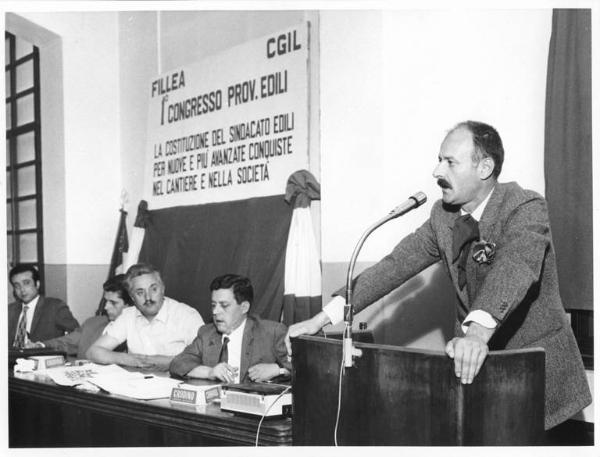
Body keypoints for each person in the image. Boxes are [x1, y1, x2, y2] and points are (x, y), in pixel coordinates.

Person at [286, 121, 591, 430]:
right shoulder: (442, 217)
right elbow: (394, 266)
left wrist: (474, 335)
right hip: (478, 378)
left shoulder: (524, 206)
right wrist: (322, 318)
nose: (436, 171)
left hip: (543, 385)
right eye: (439, 159)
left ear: (485, 167)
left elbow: (514, 268)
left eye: (450, 162)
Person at [170, 274, 291, 383]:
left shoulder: (272, 332)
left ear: (244, 307)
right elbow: (178, 364)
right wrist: (210, 372)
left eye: (224, 305)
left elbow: (302, 368)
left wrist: (278, 369)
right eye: (213, 305)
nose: (215, 311)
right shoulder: (207, 333)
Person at [86, 263, 204, 371]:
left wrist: (170, 362)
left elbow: (205, 358)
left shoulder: (187, 315)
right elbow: (93, 352)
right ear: (132, 297)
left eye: (153, 289)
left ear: (163, 289)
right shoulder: (128, 316)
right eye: (140, 292)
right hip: (137, 387)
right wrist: (129, 359)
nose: (148, 297)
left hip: (177, 385)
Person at [26, 274, 131, 359]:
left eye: (113, 303)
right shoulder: (93, 323)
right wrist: (40, 346)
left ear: (129, 305)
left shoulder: (136, 331)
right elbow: (66, 342)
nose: (106, 307)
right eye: (106, 301)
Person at [8, 264, 79, 348]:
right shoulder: (9, 310)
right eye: (17, 286)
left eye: (26, 283)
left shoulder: (55, 307)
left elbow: (77, 336)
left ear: (37, 284)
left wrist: (42, 345)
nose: (22, 289)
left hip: (41, 357)